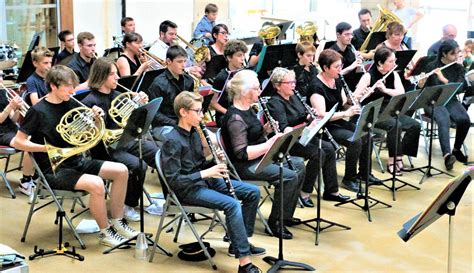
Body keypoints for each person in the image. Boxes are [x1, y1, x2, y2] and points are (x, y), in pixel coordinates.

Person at [12, 65, 138, 247]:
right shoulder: (38, 111)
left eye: (74, 86)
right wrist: (47, 149)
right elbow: (18, 141)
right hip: (54, 169)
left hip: (77, 160)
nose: (73, 91)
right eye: (68, 87)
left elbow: (89, 133)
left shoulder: (71, 103)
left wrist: (95, 119)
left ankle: (118, 221)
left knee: (121, 170)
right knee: (97, 184)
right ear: (53, 86)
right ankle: (105, 232)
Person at [161, 91, 264, 273]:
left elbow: (198, 165)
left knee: (252, 192)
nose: (202, 116)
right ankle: (245, 263)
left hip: (204, 181)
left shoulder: (193, 133)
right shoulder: (172, 141)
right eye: (198, 111)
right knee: (232, 205)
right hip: (187, 190)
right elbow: (174, 180)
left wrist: (214, 160)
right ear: (184, 112)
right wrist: (206, 172)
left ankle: (240, 243)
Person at [221, 69, 305, 240]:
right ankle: (275, 224)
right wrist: (269, 144)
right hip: (244, 166)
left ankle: (285, 215)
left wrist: (265, 131)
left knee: (299, 165)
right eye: (257, 88)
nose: (260, 91)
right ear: (245, 92)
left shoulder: (248, 109)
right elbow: (242, 153)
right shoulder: (235, 118)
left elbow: (253, 136)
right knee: (289, 176)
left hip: (258, 157)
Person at [81, 57, 159, 220]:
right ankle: (127, 204)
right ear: (101, 76)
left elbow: (131, 121)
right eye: (113, 74)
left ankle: (172, 200)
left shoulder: (119, 95)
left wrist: (140, 106)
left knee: (157, 154)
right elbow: (87, 136)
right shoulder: (90, 101)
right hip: (105, 149)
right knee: (138, 165)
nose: (117, 77)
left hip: (125, 140)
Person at [267, 67, 350, 205]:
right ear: (278, 85)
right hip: (288, 142)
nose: (293, 85)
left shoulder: (294, 96)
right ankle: (304, 191)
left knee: (329, 148)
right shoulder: (275, 103)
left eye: (294, 81)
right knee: (318, 153)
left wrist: (311, 117)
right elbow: (284, 128)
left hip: (303, 136)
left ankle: (332, 191)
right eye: (289, 83)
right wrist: (305, 122)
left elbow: (302, 116)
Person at [309, 49, 382, 192]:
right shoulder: (316, 86)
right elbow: (322, 115)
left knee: (366, 133)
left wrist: (361, 97)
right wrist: (346, 113)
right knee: (355, 140)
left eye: (340, 66)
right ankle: (349, 179)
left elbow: (345, 103)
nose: (340, 69)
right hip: (324, 128)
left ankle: (364, 173)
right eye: (337, 67)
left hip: (337, 122)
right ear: (325, 68)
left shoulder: (336, 80)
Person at [354, 46, 420, 175]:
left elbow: (401, 93)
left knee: (415, 125)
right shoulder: (368, 76)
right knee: (395, 125)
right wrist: (365, 94)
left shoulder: (393, 74)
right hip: (373, 113)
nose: (394, 64)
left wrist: (385, 90)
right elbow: (355, 98)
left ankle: (399, 155)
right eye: (391, 61)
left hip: (389, 110)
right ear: (380, 63)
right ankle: (392, 161)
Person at [418, 39, 470, 170]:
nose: (457, 56)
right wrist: (421, 83)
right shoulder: (431, 66)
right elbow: (423, 90)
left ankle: (456, 150)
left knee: (464, 120)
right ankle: (447, 155)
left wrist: (443, 78)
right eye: (453, 53)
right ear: (444, 54)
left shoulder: (459, 68)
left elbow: (460, 88)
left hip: (450, 99)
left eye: (458, 52)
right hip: (433, 101)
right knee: (444, 118)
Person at [147, 45, 194, 143]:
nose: (184, 65)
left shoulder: (189, 80)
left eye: (185, 61)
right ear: (169, 61)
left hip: (184, 122)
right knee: (182, 141)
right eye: (179, 62)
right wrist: (176, 123)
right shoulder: (158, 84)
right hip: (163, 126)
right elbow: (155, 115)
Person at [0, 87, 35, 196]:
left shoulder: (3, 92)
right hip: (1, 133)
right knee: (27, 144)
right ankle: (25, 182)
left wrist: (17, 109)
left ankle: (36, 177)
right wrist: (11, 105)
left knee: (37, 138)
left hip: (12, 129)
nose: (1, 79)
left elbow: (13, 120)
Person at [210, 39, 247, 126]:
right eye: (239, 56)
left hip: (242, 111)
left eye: (243, 55)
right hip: (225, 115)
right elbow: (212, 102)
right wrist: (228, 113)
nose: (242, 59)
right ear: (229, 58)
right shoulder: (222, 77)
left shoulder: (244, 73)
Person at [329, 22, 363, 91]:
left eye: (351, 34)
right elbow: (332, 76)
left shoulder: (351, 49)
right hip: (339, 89)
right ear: (338, 35)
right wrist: (351, 67)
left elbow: (357, 73)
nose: (350, 37)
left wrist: (359, 64)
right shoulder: (330, 53)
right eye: (347, 34)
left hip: (353, 87)